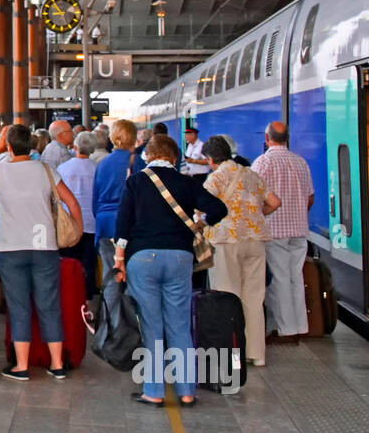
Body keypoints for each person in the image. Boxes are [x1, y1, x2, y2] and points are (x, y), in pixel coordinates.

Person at [113, 134, 228, 406]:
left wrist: (119, 259)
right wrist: (200, 224)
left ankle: (154, 392)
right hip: (179, 258)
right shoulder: (187, 182)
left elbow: (123, 224)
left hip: (143, 259)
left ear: (148, 156)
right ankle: (187, 391)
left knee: (152, 327)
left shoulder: (136, 182)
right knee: (179, 325)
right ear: (174, 158)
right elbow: (218, 208)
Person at [0, 124, 83, 381]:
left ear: (9, 146)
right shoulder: (46, 170)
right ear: (32, 146)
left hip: (10, 246)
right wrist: (78, 230)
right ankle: (57, 364)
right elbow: (71, 201)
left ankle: (21, 366)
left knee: (19, 307)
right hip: (44, 246)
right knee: (49, 304)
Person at [202, 136, 281, 367]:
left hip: (226, 242)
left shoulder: (216, 178)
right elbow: (275, 202)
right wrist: (255, 216)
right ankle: (257, 355)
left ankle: (232, 355)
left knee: (227, 298)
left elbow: (202, 209)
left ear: (211, 159)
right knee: (254, 299)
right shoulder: (251, 174)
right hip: (255, 241)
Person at [252, 121, 315, 343]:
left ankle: (286, 330)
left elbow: (253, 198)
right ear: (287, 138)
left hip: (274, 230)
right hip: (299, 231)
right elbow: (310, 198)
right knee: (295, 278)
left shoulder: (262, 163)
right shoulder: (301, 162)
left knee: (279, 280)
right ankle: (300, 326)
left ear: (267, 139)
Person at [93, 118, 138, 327]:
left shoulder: (103, 164)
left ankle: (111, 324)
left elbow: (95, 199)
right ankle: (131, 326)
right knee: (130, 276)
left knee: (111, 276)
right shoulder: (135, 162)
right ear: (134, 138)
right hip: (125, 225)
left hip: (103, 223)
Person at [58, 131, 100, 300]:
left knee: (69, 262)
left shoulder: (63, 167)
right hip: (91, 222)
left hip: (70, 223)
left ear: (75, 147)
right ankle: (88, 299)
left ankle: (70, 297)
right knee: (89, 264)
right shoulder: (96, 168)